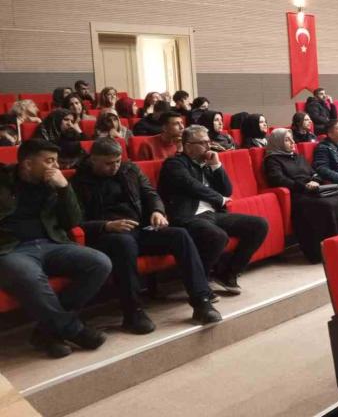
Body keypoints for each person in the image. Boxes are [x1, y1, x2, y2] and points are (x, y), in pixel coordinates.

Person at [72, 138, 221, 333]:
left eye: (117, 161)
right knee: (124, 244)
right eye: (108, 163)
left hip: (139, 228)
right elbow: (75, 220)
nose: (115, 167)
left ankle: (201, 301)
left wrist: (157, 211)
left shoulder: (129, 169)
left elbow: (150, 194)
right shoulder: (78, 182)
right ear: (93, 160)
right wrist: (106, 225)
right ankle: (133, 312)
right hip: (108, 234)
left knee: (180, 235)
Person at [0, 139, 112, 358]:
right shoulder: (3, 181)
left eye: (56, 161)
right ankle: (73, 330)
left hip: (52, 243)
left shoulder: (53, 184)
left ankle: (47, 332)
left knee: (100, 263)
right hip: (12, 249)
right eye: (49, 161)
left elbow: (74, 221)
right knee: (28, 275)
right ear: (28, 164)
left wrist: (64, 189)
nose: (56, 166)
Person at [158, 125, 268, 295]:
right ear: (187, 146)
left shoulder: (208, 163)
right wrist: (219, 199)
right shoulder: (174, 164)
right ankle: (199, 283)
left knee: (259, 225)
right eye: (202, 143)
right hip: (189, 216)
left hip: (213, 214)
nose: (208, 146)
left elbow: (227, 190)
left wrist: (217, 166)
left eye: (208, 141)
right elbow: (191, 186)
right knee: (217, 236)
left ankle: (227, 274)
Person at [264, 129, 338, 263]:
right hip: (297, 194)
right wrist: (303, 186)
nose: (292, 142)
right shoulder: (272, 160)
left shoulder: (298, 157)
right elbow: (278, 179)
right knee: (328, 205)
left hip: (313, 190)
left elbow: (314, 173)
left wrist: (316, 180)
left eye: (292, 138)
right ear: (277, 142)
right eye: (287, 140)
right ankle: (324, 250)